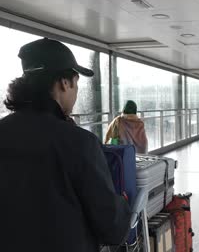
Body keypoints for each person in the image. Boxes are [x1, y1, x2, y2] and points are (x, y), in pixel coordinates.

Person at [0, 38, 131, 252]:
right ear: (64, 82)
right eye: (76, 83)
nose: (76, 92)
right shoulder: (79, 143)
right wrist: (123, 203)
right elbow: (112, 228)